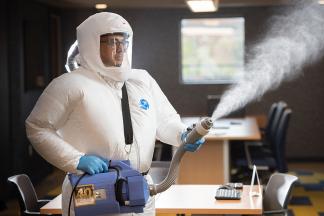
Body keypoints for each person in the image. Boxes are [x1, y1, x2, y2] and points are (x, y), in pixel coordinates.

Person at [25, 12, 204, 216]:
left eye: (123, 41)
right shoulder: (69, 84)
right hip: (94, 187)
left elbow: (165, 122)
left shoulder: (142, 80)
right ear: (91, 44)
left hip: (141, 189)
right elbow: (37, 127)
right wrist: (75, 160)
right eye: (112, 42)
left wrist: (182, 134)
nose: (120, 49)